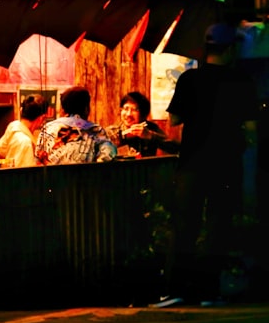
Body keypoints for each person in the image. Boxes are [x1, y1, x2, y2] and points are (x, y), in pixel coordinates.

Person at [154, 23, 258, 307]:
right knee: (217, 225)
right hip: (226, 164)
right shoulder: (241, 81)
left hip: (192, 162)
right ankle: (209, 291)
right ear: (231, 49)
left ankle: (176, 289)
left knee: (183, 224)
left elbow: (174, 120)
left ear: (207, 48)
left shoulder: (190, 79)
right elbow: (251, 127)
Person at [36, 86, 117, 165]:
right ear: (86, 108)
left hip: (50, 177)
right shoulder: (95, 130)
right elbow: (109, 153)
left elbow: (38, 157)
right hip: (83, 177)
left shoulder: (47, 128)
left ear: (63, 108)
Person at [104, 91, 169, 158]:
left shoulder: (150, 128)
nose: (129, 114)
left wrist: (150, 135)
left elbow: (175, 148)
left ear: (143, 114)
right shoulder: (111, 131)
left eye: (134, 110)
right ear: (121, 110)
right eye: (126, 109)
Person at [0, 94, 49, 169]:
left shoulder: (13, 126)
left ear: (21, 110)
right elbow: (25, 176)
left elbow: (0, 151)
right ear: (42, 118)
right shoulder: (24, 142)